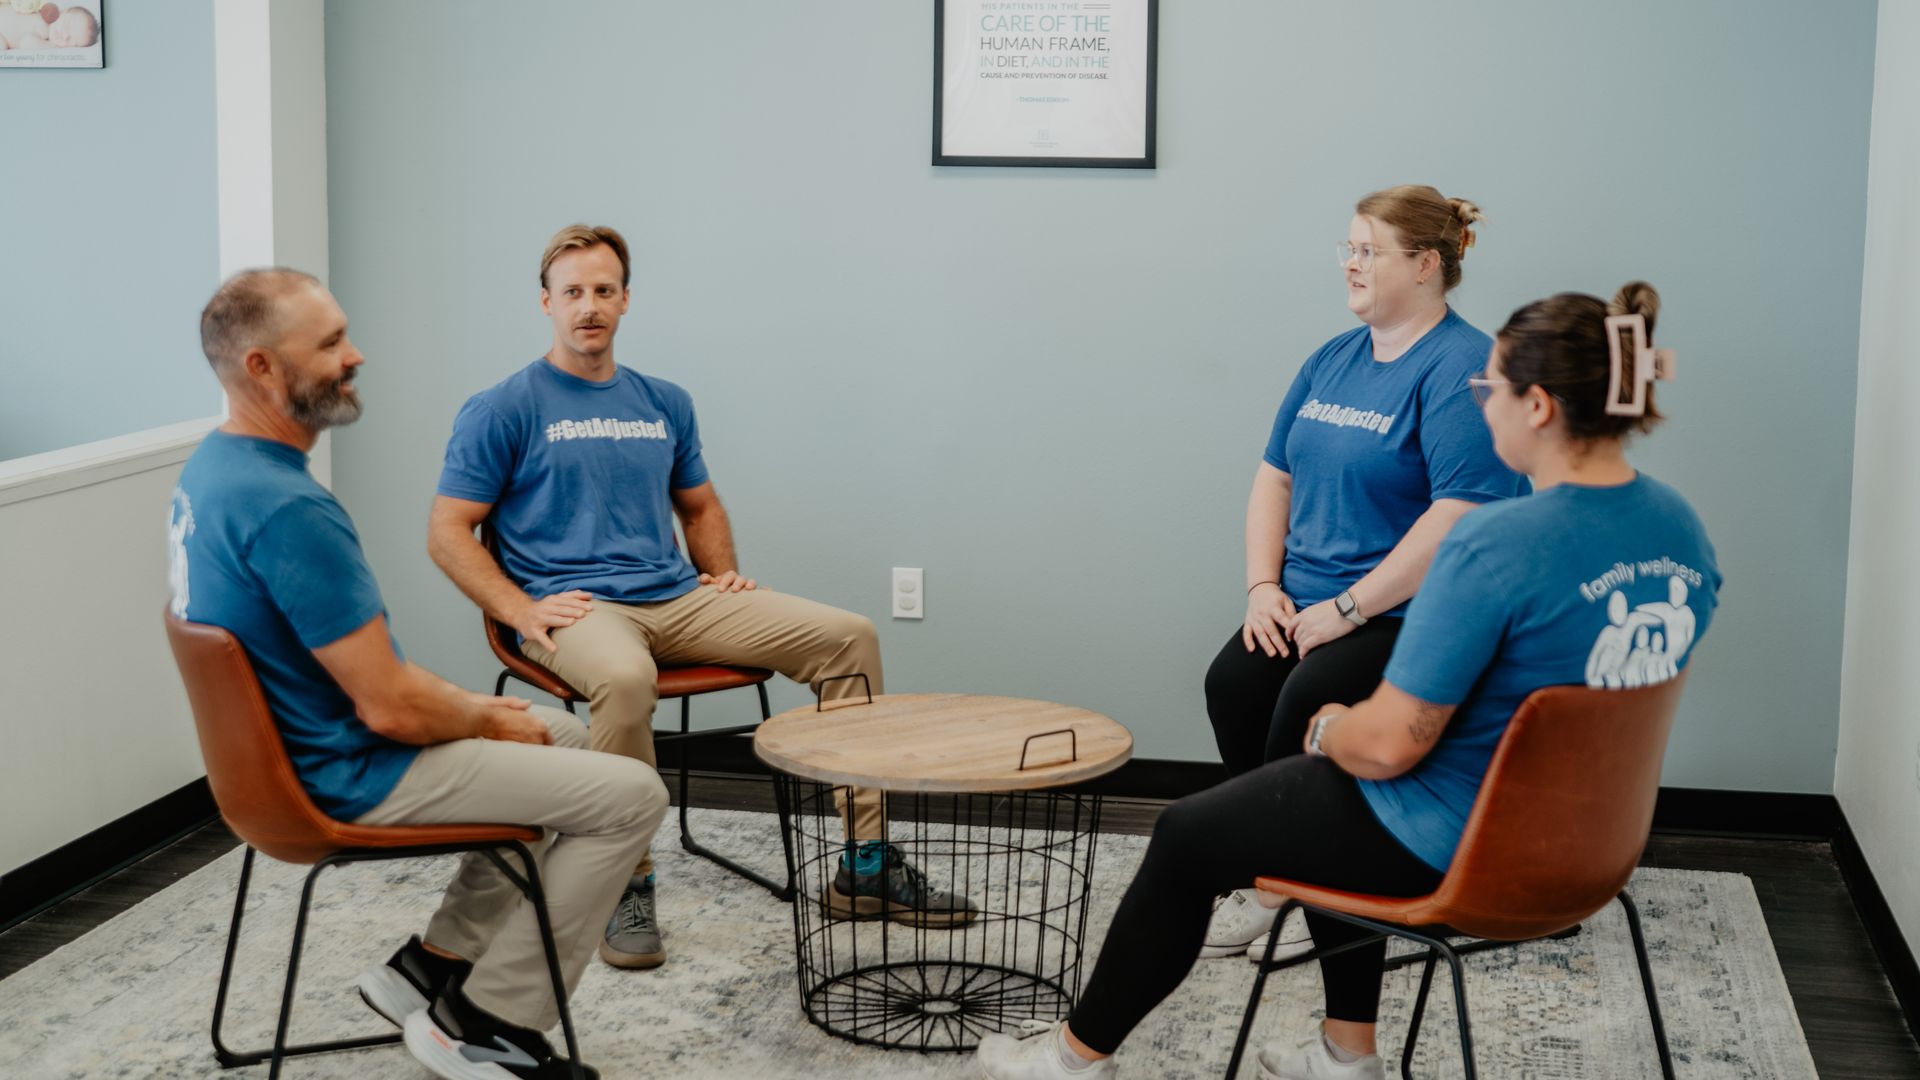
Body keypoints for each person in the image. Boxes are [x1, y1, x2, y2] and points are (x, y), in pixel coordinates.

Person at [976, 281, 1720, 1079]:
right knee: (1317, 797)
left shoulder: (1495, 544)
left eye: (1490, 389)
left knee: (1193, 832)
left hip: (1459, 844)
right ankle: (1345, 1053)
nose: (1483, 405)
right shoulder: (1677, 524)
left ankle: (1070, 1059)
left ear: (1537, 405)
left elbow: (1390, 747)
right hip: (1591, 846)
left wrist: (1327, 727)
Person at [427, 224, 976, 970]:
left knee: (849, 634)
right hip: (579, 610)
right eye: (573, 292)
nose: (589, 306)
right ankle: (624, 879)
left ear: (625, 300)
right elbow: (449, 531)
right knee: (624, 679)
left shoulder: (664, 401)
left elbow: (701, 507)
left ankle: (866, 865)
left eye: (603, 290)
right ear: (546, 303)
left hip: (677, 597)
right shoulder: (502, 407)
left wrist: (720, 574)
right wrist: (519, 610)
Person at [171, 269, 669, 1080]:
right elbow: (393, 707)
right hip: (345, 773)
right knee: (632, 797)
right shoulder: (289, 509)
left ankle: (430, 970)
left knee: (570, 736)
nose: (355, 355)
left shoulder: (214, 473)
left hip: (294, 755)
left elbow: (364, 680)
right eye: (330, 343)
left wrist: (477, 709)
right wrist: (488, 717)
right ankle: (487, 1022)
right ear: (261, 366)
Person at [1200, 186, 1524, 961]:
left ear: (1424, 265)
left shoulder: (1464, 366)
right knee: (1234, 683)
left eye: (1367, 251)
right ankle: (1275, 873)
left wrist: (1348, 608)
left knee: (1308, 699)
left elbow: (1460, 513)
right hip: (1308, 599)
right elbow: (1274, 476)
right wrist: (1261, 589)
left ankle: (1300, 885)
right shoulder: (1332, 360)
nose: (1350, 265)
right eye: (1347, 248)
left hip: (1407, 616)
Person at [0, 5, 96, 50]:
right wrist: (52, 47)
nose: (65, 36)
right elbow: (26, 43)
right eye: (67, 26)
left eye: (71, 41)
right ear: (62, 12)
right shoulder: (43, 24)